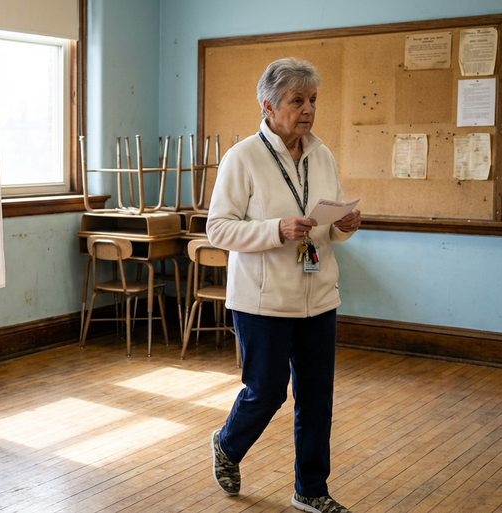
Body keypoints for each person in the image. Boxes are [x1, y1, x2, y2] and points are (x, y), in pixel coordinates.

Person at [206, 57, 361, 513]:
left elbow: (326, 229)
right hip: (262, 302)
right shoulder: (242, 158)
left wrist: (345, 224)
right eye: (298, 100)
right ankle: (226, 445)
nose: (308, 108)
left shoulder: (323, 154)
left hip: (318, 298)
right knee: (267, 391)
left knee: (316, 398)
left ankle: (310, 489)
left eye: (312, 99)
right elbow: (219, 230)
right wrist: (275, 230)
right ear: (268, 106)